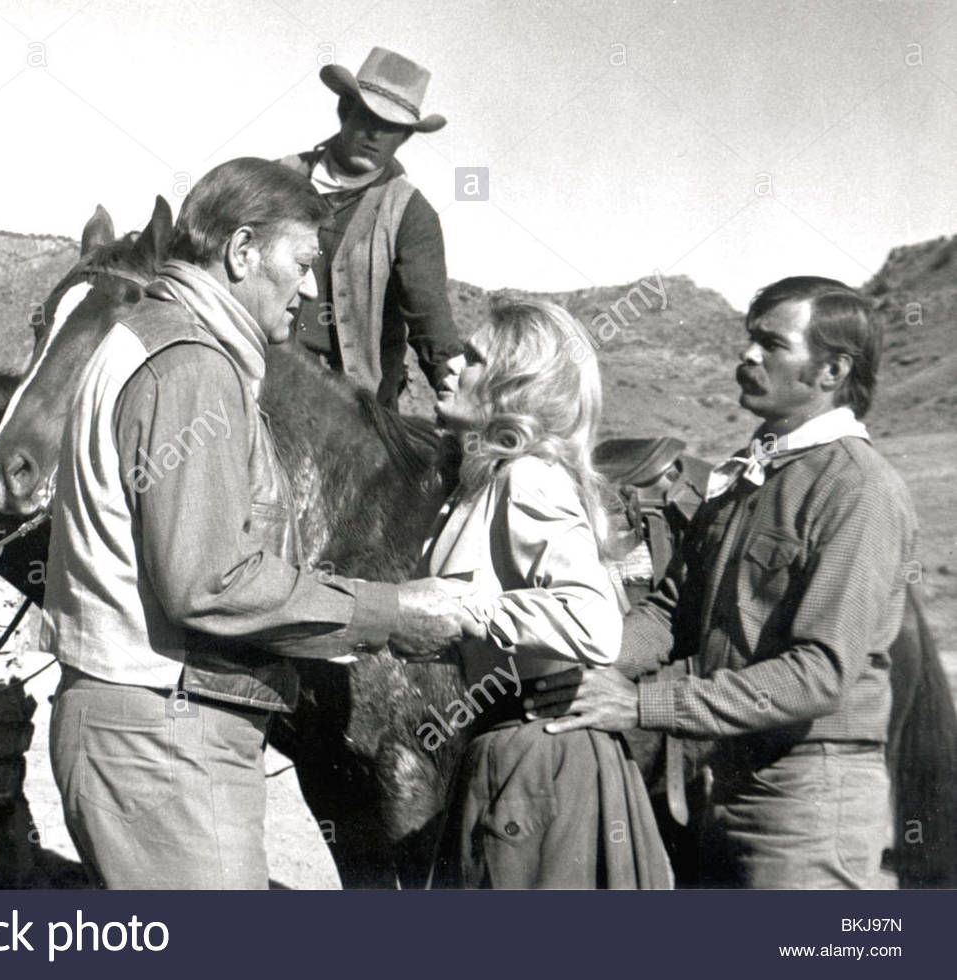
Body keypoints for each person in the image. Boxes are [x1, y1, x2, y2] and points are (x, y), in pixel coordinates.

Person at [42, 157, 480, 889]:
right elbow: (211, 583)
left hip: (143, 726)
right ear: (242, 251)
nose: (309, 290)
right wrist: (391, 611)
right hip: (167, 738)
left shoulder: (148, 340)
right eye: (302, 264)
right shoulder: (193, 368)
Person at [530, 277, 917, 889]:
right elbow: (671, 610)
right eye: (750, 339)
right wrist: (586, 661)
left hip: (809, 798)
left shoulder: (856, 488)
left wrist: (641, 705)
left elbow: (819, 672)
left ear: (832, 371)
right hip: (727, 779)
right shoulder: (749, 477)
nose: (748, 354)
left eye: (772, 344)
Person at [404, 300, 671, 888]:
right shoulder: (483, 484)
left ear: (514, 388)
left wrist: (462, 610)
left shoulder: (528, 477)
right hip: (509, 747)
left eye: (473, 359)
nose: (451, 366)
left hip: (541, 759)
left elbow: (593, 622)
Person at [279, 46, 462, 408]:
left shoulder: (410, 213)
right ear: (344, 111)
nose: (376, 135)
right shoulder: (278, 178)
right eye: (367, 117)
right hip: (265, 374)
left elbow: (428, 312)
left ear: (404, 137)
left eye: (391, 127)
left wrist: (452, 378)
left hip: (355, 407)